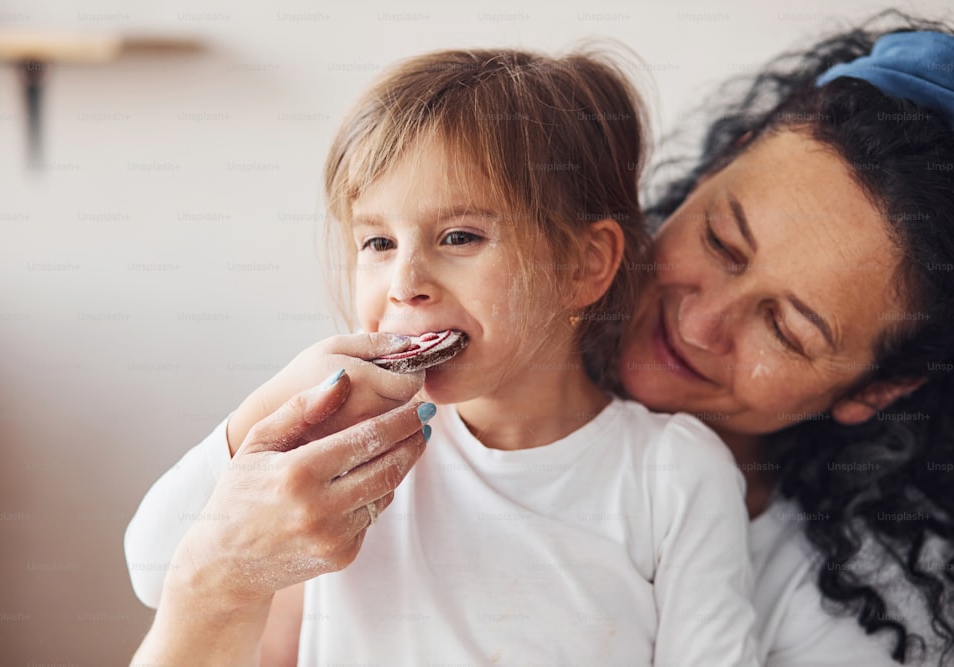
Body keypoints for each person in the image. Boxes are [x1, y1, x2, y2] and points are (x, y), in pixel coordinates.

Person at [129, 12, 954, 667]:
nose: (405, 280)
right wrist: (260, 428)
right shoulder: (350, 439)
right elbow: (164, 571)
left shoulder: (681, 486)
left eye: (784, 325)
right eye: (721, 241)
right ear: (719, 165)